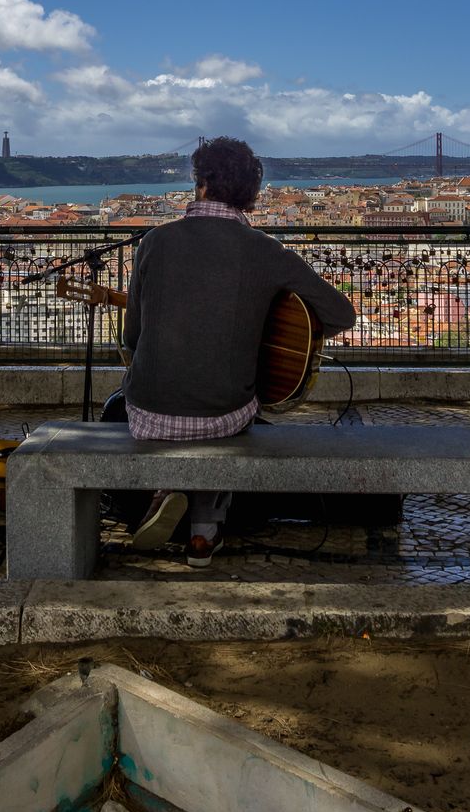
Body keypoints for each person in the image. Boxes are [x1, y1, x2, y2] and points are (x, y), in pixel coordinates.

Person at [120, 136, 356, 567]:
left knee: (143, 396)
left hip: (147, 413)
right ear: (250, 194)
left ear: (200, 184)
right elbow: (341, 314)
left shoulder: (153, 242)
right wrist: (266, 324)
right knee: (229, 406)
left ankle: (166, 489)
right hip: (221, 411)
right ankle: (202, 536)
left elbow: (133, 338)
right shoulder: (265, 251)